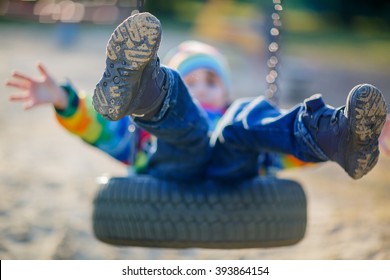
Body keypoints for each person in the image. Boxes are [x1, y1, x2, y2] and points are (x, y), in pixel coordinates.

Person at [5, 12, 388, 183]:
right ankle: (144, 89)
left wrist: (361, 135)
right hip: (169, 161)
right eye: (192, 80)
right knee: (180, 120)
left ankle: (341, 135)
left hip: (230, 167)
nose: (202, 85)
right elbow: (101, 129)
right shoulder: (138, 139)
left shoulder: (233, 118)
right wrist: (66, 100)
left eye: (210, 80)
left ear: (222, 91)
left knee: (247, 117)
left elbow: (284, 153)